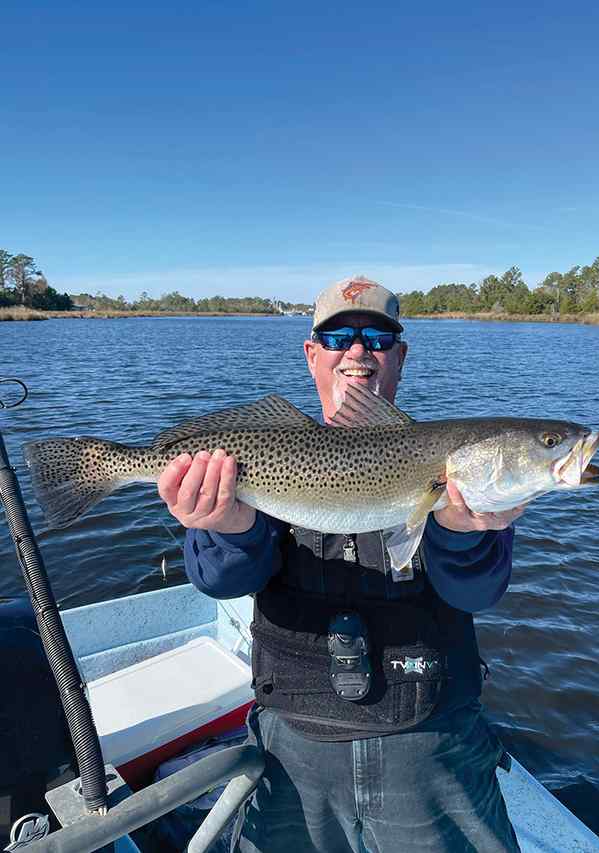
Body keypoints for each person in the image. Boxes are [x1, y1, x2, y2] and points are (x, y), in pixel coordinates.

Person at [158, 275, 523, 853]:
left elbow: (476, 596)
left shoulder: (463, 476)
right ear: (312, 355)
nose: (358, 351)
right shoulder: (271, 453)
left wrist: (456, 533)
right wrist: (227, 527)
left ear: (399, 356)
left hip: (433, 743)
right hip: (292, 747)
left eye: (378, 336)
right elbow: (220, 582)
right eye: (338, 337)